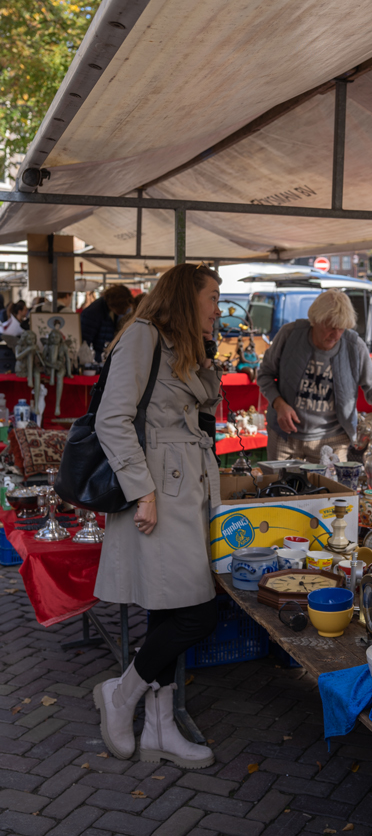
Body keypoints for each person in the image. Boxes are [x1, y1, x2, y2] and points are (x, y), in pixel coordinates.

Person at [92, 264, 222, 768]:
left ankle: (161, 730)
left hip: (182, 491)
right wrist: (141, 490)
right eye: (212, 296)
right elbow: (112, 418)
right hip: (157, 496)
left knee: (169, 609)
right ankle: (121, 695)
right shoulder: (142, 336)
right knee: (198, 612)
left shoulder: (182, 346)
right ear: (186, 296)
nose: (217, 307)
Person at [258, 289, 372, 461]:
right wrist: (279, 404)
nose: (336, 335)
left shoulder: (354, 346)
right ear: (315, 320)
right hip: (285, 437)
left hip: (334, 440)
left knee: (335, 488)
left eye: (341, 328)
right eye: (331, 327)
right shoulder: (289, 334)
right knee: (279, 487)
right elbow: (264, 374)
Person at [80, 285, 133, 361]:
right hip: (98, 360)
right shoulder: (93, 313)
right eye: (124, 308)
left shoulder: (109, 309)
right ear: (117, 305)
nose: (125, 312)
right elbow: (85, 344)